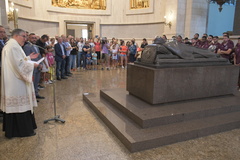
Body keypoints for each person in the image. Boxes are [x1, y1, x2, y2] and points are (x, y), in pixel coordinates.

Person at [1, 28, 40, 138]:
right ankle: (21, 131)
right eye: (23, 36)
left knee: (18, 107)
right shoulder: (13, 46)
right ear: (16, 36)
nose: (25, 39)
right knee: (19, 107)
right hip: (16, 82)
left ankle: (14, 130)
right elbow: (19, 65)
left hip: (14, 80)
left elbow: (19, 61)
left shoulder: (13, 45)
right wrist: (33, 64)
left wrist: (28, 58)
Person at [23, 33, 45, 100]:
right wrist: (35, 64)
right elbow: (28, 57)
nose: (34, 39)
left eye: (35, 38)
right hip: (32, 66)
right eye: (32, 38)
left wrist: (40, 64)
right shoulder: (27, 46)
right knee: (32, 82)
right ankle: (31, 97)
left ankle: (36, 94)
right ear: (29, 38)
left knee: (36, 81)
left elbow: (39, 56)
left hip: (38, 66)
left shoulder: (36, 46)